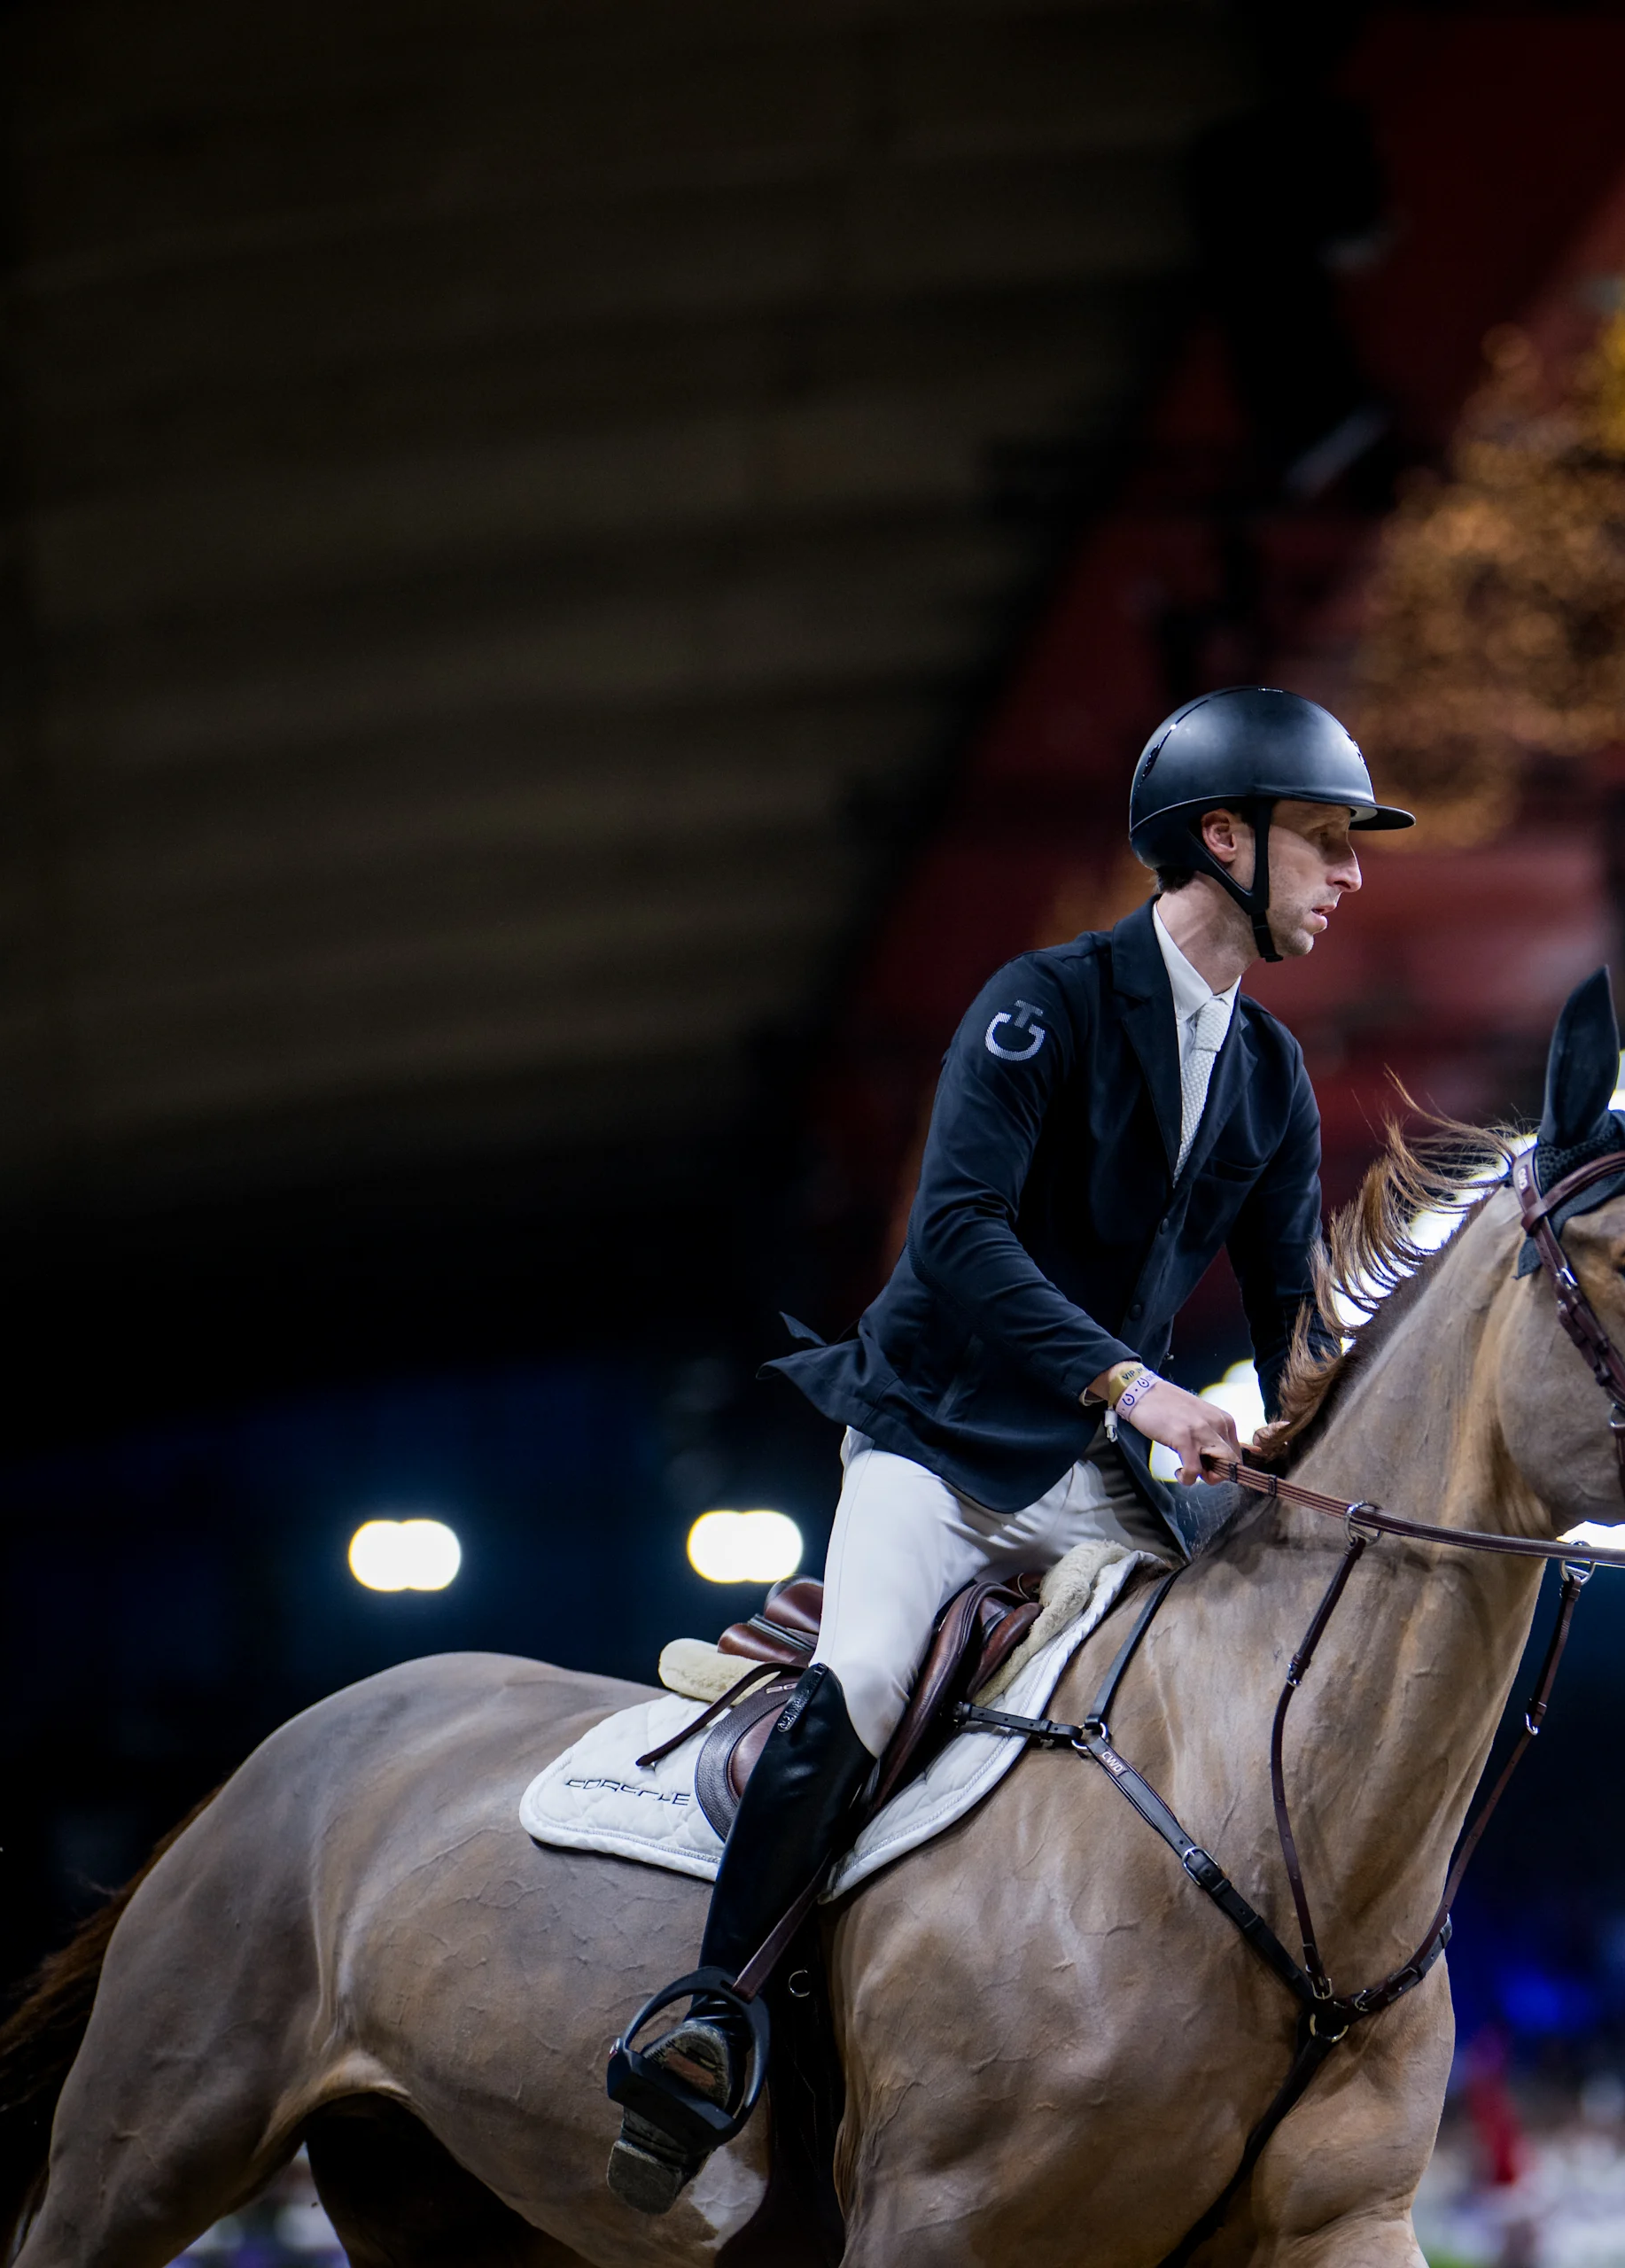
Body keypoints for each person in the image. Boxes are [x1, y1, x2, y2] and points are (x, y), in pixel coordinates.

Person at [605, 686, 1411, 2211]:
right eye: (1325, 840)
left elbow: (1299, 1312)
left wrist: (1356, 1442)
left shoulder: (1268, 1077)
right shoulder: (1041, 1001)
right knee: (860, 1679)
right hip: (941, 1444)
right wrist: (1140, 1389)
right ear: (1221, 843)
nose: (1352, 872)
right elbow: (960, 1237)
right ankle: (708, 2017)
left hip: (1095, 1482)